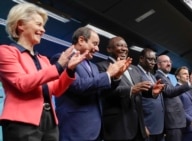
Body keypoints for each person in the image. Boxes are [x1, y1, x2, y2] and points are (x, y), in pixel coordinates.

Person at [0, 3, 87, 141]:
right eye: (39, 24)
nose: (43, 30)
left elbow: (56, 90)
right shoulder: (6, 51)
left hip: (50, 121)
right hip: (21, 122)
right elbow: (22, 83)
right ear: (21, 25)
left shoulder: (44, 59)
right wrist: (58, 66)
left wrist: (69, 70)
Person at [50, 29, 130, 141]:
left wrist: (116, 77)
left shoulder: (93, 66)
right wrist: (108, 74)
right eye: (95, 44)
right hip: (75, 128)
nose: (97, 49)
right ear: (81, 40)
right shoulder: (62, 59)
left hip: (96, 130)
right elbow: (79, 86)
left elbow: (101, 92)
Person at [97, 37, 164, 141]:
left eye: (125, 46)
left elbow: (140, 90)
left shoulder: (134, 69)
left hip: (138, 127)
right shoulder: (102, 67)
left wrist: (152, 91)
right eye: (119, 45)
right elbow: (105, 92)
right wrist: (131, 90)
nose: (124, 49)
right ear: (109, 49)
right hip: (119, 127)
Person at [155, 55, 192, 141]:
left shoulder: (166, 77)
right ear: (158, 65)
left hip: (176, 121)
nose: (169, 64)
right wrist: (188, 84)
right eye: (165, 62)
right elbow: (170, 92)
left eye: (170, 62)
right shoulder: (159, 76)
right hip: (172, 121)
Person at [177, 66, 192, 141]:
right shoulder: (176, 90)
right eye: (184, 74)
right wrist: (191, 121)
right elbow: (179, 110)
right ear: (178, 76)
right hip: (187, 127)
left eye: (188, 74)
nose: (187, 75)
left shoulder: (189, 90)